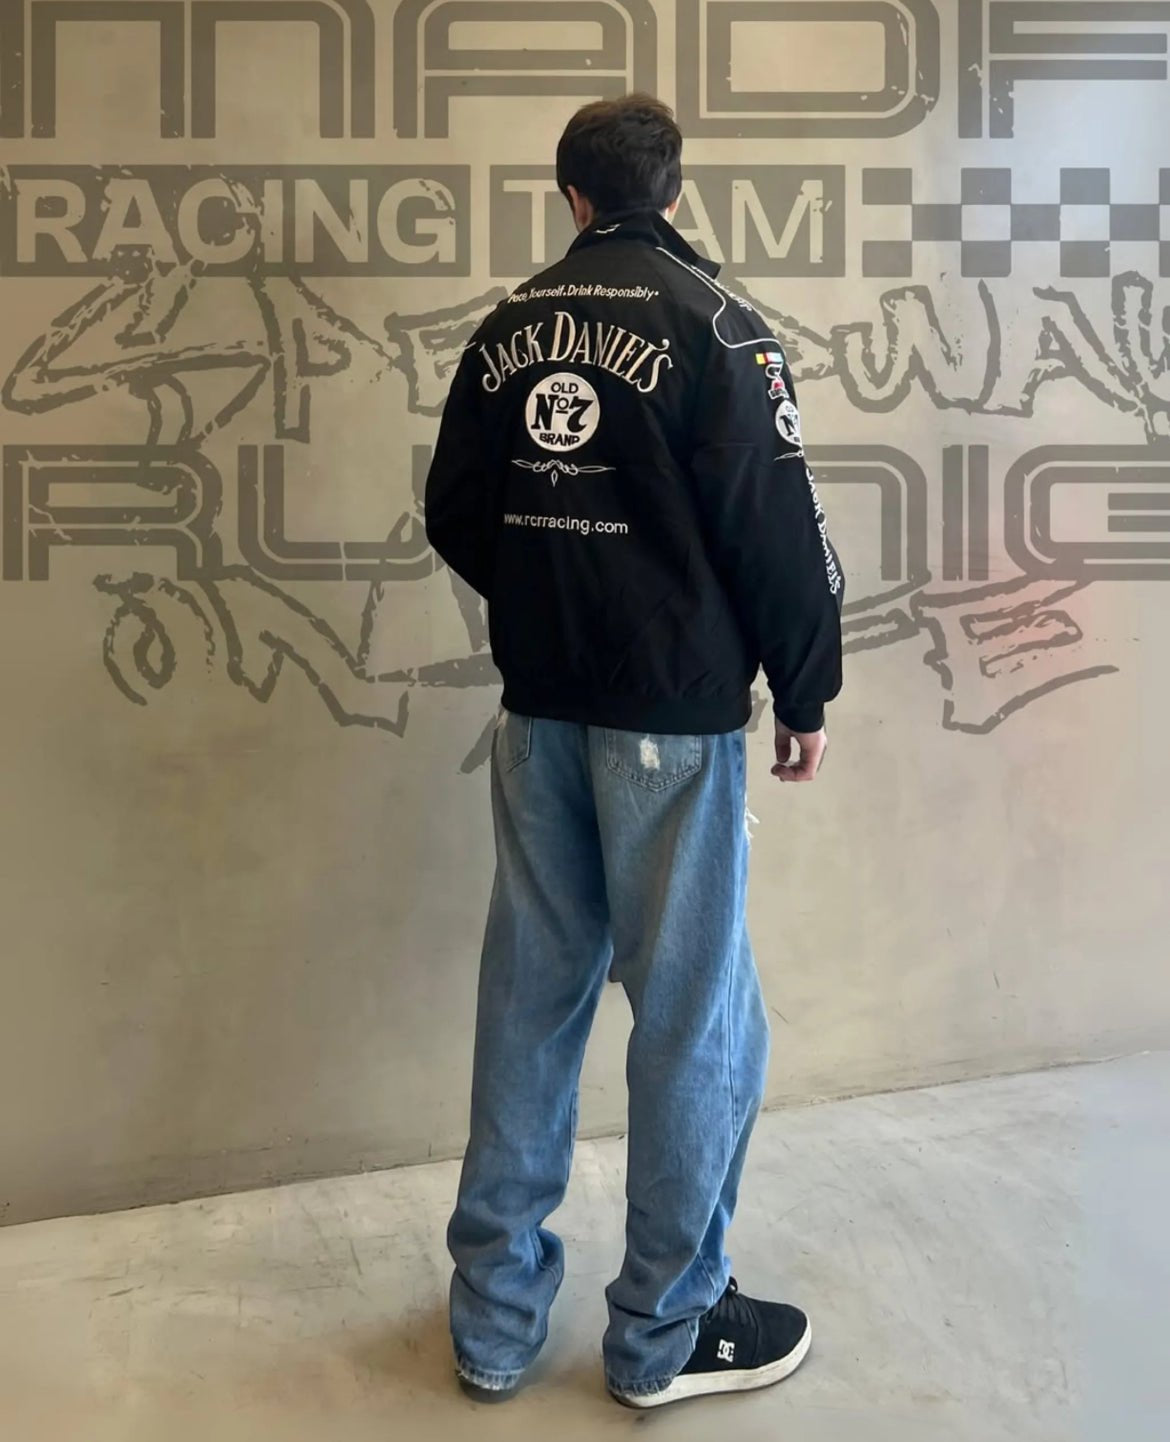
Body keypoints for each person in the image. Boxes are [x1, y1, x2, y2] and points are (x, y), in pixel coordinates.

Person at [424, 93, 844, 1410]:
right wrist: (804, 688)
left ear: (570, 197)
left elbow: (453, 511)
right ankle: (668, 1332)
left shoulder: (506, 327)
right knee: (693, 1018)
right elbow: (774, 528)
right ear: (671, 189)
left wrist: (550, 605)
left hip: (535, 715)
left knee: (529, 999)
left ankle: (494, 1325)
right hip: (670, 723)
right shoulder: (718, 327)